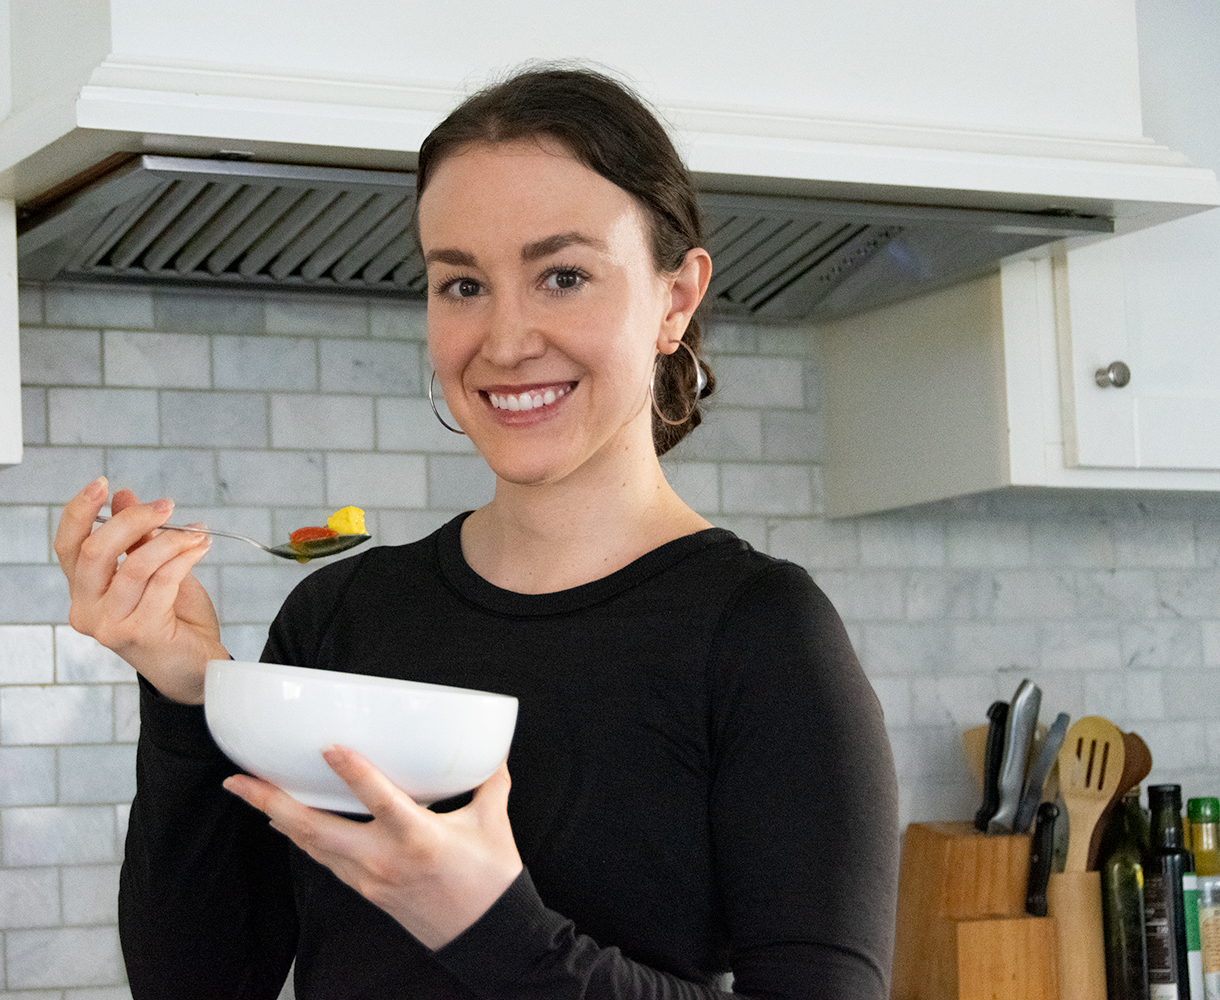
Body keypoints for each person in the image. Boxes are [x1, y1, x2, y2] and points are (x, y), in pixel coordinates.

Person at [55, 66, 898, 1000]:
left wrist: (493, 930)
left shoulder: (762, 633)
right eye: (462, 284)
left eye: (563, 277)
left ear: (676, 298)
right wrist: (187, 694)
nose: (503, 341)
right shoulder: (338, 618)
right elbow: (195, 985)